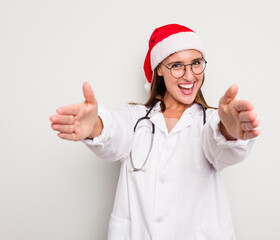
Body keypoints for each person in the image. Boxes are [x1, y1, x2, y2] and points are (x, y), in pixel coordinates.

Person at [50, 24, 260, 240]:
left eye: (196, 63)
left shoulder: (211, 122)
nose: (189, 76)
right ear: (159, 69)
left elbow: (220, 147)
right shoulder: (136, 119)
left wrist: (230, 131)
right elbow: (115, 133)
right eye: (177, 65)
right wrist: (94, 126)